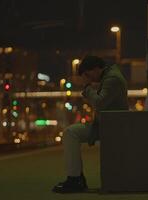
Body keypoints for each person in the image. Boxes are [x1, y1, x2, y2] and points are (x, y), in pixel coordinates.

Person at [52, 55, 129, 193]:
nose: (89, 79)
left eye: (88, 75)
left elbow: (99, 103)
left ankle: (75, 180)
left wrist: (87, 88)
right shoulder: (111, 76)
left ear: (95, 69)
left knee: (71, 133)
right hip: (109, 124)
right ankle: (75, 178)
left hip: (111, 127)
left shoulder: (112, 79)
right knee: (71, 133)